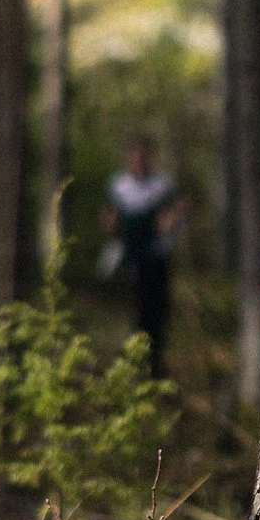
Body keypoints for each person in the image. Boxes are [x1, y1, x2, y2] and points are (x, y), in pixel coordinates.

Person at [101, 136, 184, 370]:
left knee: (157, 310)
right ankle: (133, 360)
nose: (138, 160)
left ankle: (155, 361)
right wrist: (111, 224)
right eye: (134, 155)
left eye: (143, 155)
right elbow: (109, 217)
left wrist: (171, 219)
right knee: (135, 308)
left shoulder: (162, 185)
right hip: (130, 257)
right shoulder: (118, 186)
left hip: (156, 257)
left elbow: (177, 211)